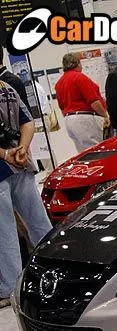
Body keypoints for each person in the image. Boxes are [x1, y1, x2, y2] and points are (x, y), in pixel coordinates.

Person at [0, 81, 52, 308]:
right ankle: (54, 268)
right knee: (39, 223)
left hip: (4, 165)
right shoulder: (7, 88)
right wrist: (22, 147)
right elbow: (28, 121)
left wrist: (5, 154)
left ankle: (11, 287)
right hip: (22, 163)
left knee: (5, 231)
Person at [55, 52, 110, 152]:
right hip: (84, 118)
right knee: (96, 149)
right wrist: (105, 115)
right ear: (77, 63)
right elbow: (93, 101)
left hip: (69, 119)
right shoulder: (80, 78)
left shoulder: (59, 83)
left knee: (83, 152)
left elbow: (62, 108)